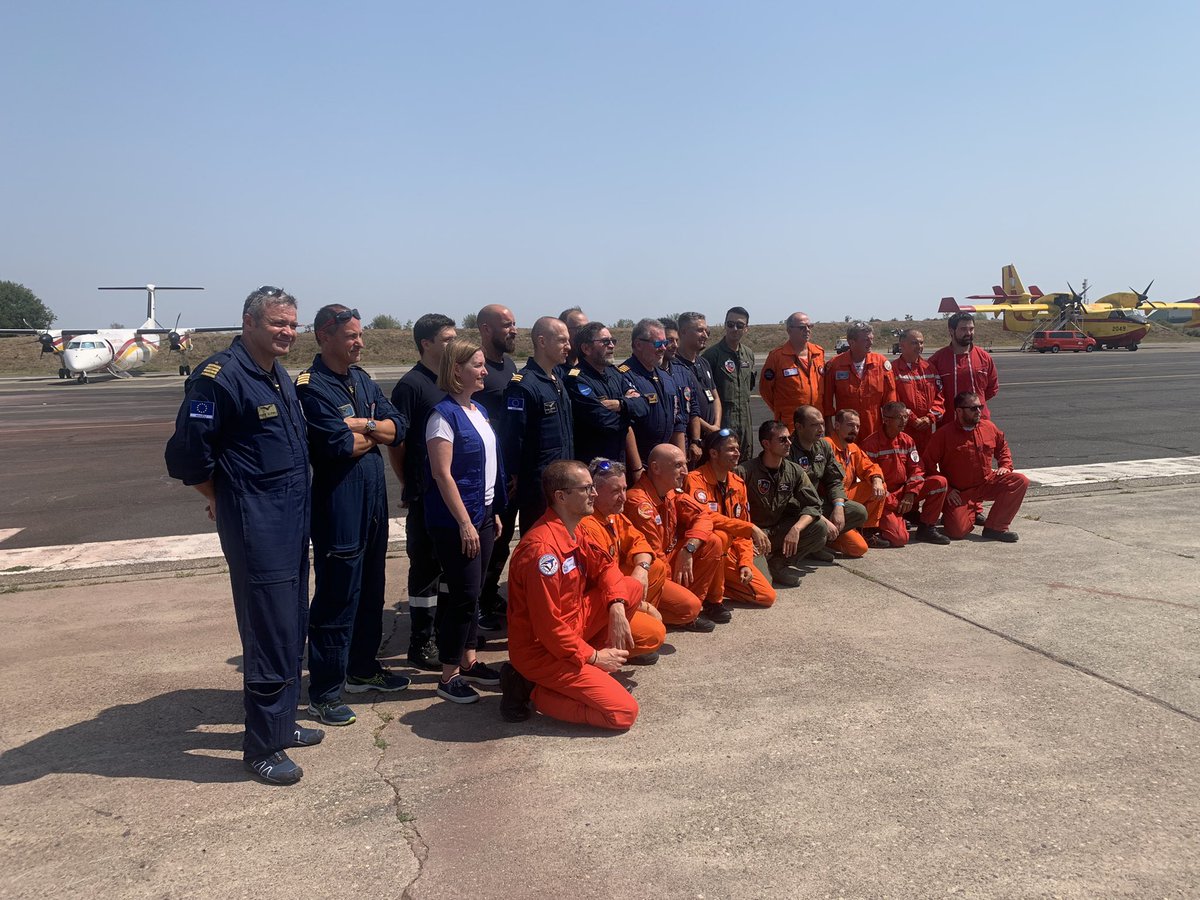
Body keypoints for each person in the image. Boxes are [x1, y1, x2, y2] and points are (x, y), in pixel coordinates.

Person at [165, 285, 315, 786]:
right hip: (258, 522)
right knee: (268, 629)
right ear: (248, 322)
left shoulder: (277, 376)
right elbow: (188, 458)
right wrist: (223, 495)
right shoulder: (219, 377)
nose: (287, 332)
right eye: (277, 323)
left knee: (292, 620)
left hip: (291, 517)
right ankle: (262, 747)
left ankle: (282, 721)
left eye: (293, 324)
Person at [296, 305, 410, 730]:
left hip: (372, 497)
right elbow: (336, 444)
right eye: (351, 336)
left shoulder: (361, 379)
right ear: (324, 337)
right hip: (339, 501)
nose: (360, 342)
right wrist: (369, 431)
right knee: (337, 594)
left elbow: (398, 427)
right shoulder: (311, 386)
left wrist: (362, 425)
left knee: (371, 587)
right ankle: (324, 692)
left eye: (360, 335)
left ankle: (362, 669)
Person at [501, 460, 660, 728]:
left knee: (629, 588)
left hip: (572, 627)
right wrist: (596, 657)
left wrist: (617, 605)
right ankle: (528, 688)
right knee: (622, 713)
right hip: (542, 651)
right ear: (561, 497)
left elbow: (607, 567)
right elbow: (549, 628)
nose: (595, 494)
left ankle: (583, 667)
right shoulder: (543, 552)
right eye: (587, 488)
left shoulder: (572, 530)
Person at [424, 337, 508, 704]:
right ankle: (449, 675)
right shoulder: (442, 416)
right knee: (463, 596)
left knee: (473, 594)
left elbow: (487, 467)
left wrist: (493, 511)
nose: (484, 370)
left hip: (484, 514)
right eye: (476, 365)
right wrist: (464, 522)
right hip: (458, 520)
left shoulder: (477, 410)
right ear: (456, 370)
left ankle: (470, 660)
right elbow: (443, 475)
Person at [388, 313, 456, 672]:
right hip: (426, 494)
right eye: (446, 339)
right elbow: (397, 444)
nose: (452, 344)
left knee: (450, 569)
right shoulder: (411, 386)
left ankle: (445, 632)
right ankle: (421, 639)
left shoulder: (451, 380)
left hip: (453, 495)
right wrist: (409, 483)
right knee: (426, 570)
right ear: (426, 344)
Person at [579, 458, 710, 632]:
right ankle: (611, 633)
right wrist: (646, 607)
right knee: (654, 634)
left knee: (687, 604)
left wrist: (642, 567)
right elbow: (605, 580)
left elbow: (640, 542)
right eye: (615, 491)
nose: (623, 498)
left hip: (622, 586)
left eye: (624, 489)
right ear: (594, 492)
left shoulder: (612, 514)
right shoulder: (588, 523)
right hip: (603, 597)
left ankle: (640, 616)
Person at [624, 443, 728, 625]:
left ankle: (690, 606)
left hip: (668, 560)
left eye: (685, 465)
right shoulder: (639, 502)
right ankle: (668, 613)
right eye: (678, 465)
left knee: (713, 541)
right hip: (650, 570)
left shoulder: (671, 492)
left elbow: (704, 516)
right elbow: (655, 557)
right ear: (656, 468)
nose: (686, 472)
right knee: (689, 607)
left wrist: (688, 549)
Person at [685, 429, 778, 604]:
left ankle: (715, 582)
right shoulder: (695, 480)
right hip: (704, 549)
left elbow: (742, 532)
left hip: (731, 551)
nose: (737, 453)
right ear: (713, 453)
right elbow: (705, 518)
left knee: (767, 596)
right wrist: (749, 528)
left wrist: (745, 563)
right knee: (720, 536)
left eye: (737, 449)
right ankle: (711, 594)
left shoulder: (738, 483)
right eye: (730, 449)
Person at [923, 392, 1029, 542]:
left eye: (980, 407)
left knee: (1019, 481)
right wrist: (949, 491)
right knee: (957, 532)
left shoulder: (988, 427)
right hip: (961, 492)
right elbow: (927, 464)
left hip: (986, 482)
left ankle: (995, 528)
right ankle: (955, 515)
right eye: (973, 408)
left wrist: (1005, 465)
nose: (979, 411)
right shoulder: (944, 435)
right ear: (959, 411)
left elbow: (1002, 446)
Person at [502, 316, 574, 534]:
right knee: (539, 544)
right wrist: (514, 475)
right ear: (542, 342)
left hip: (563, 483)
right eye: (562, 340)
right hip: (538, 489)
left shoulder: (556, 380)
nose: (568, 347)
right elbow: (512, 438)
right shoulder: (524, 385)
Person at [740, 420, 828, 587]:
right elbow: (730, 510)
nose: (789, 443)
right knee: (762, 585)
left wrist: (796, 529)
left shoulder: (794, 471)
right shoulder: (745, 471)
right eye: (782, 440)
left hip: (777, 530)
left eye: (789, 438)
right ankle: (760, 562)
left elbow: (814, 505)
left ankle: (778, 564)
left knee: (818, 528)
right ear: (766, 444)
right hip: (752, 535)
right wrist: (748, 533)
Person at [476, 304, 519, 632]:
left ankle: (489, 595)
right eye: (506, 325)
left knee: (503, 542)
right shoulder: (476, 367)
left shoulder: (509, 366)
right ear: (486, 329)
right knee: (484, 543)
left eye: (514, 324)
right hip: (484, 474)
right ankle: (474, 604)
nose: (514, 330)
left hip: (509, 471)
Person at [858, 401, 951, 546]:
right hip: (883, 497)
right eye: (899, 418)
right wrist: (895, 503)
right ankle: (874, 528)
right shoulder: (870, 444)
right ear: (887, 420)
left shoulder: (907, 440)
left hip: (904, 493)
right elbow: (868, 482)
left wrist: (910, 493)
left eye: (905, 417)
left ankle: (927, 528)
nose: (904, 421)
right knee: (899, 539)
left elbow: (917, 469)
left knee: (939, 482)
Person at [790, 405, 870, 558]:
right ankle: (798, 553)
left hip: (817, 504)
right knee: (819, 525)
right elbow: (791, 497)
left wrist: (838, 506)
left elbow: (834, 479)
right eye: (814, 425)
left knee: (858, 512)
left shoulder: (823, 446)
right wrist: (821, 518)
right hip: (796, 509)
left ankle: (817, 544)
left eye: (822, 423)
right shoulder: (788, 450)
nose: (821, 429)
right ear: (799, 427)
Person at [565, 321, 648, 465]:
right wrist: (629, 414)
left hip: (620, 460)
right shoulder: (576, 380)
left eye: (612, 341)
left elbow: (644, 406)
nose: (612, 345)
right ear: (586, 348)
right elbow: (603, 421)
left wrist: (621, 404)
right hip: (595, 464)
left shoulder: (614, 373)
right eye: (605, 342)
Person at [621, 318, 687, 471]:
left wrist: (681, 463)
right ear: (638, 344)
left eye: (665, 343)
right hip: (640, 463)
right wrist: (637, 468)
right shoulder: (624, 376)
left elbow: (678, 422)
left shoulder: (666, 377)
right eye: (658, 344)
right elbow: (626, 427)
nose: (663, 348)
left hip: (665, 462)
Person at [822, 321, 897, 439]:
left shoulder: (881, 363)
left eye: (871, 339)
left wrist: (891, 425)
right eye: (866, 340)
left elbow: (890, 397)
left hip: (874, 427)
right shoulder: (835, 365)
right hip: (845, 429)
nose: (871, 342)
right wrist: (829, 427)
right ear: (852, 342)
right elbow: (827, 400)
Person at [828, 409, 887, 548]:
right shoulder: (827, 445)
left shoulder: (853, 448)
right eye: (850, 425)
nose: (854, 430)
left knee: (879, 486)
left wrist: (877, 479)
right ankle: (827, 538)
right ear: (837, 425)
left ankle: (867, 531)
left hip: (846, 497)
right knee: (858, 549)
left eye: (857, 426)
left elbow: (869, 467)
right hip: (830, 503)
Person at [702, 306, 756, 455]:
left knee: (744, 460)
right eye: (730, 324)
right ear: (725, 325)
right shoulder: (711, 356)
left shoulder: (748, 355)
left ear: (746, 329)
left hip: (745, 423)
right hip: (723, 422)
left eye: (739, 325)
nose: (734, 329)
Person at [761, 311, 825, 433]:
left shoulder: (818, 353)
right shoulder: (777, 356)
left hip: (816, 424)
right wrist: (781, 410)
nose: (807, 330)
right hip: (790, 425)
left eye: (809, 326)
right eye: (802, 327)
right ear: (789, 330)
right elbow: (765, 390)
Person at [928, 312, 999, 420]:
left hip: (980, 422)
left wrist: (973, 406)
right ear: (951, 331)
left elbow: (992, 389)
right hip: (949, 422)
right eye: (963, 329)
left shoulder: (984, 357)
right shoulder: (937, 360)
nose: (968, 333)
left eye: (971, 329)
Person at [673, 312, 723, 459]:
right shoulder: (674, 366)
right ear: (683, 332)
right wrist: (709, 428)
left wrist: (716, 426)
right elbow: (682, 407)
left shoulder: (703, 363)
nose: (705, 335)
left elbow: (715, 396)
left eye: (706, 331)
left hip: (712, 438)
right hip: (691, 441)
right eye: (700, 330)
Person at [891, 328, 944, 453]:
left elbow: (940, 397)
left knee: (926, 466)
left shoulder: (930, 368)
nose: (919, 346)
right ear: (902, 345)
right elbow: (893, 400)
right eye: (915, 343)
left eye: (921, 343)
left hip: (926, 431)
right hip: (903, 431)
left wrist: (930, 418)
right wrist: (913, 419)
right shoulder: (892, 370)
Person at [659, 317, 703, 465]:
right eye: (669, 340)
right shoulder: (648, 374)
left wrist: (695, 441)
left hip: (686, 445)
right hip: (662, 448)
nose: (675, 345)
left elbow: (694, 409)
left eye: (677, 340)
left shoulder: (682, 371)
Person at [558, 306, 589, 372]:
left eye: (587, 329)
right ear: (564, 330)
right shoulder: (554, 368)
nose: (586, 333)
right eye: (580, 329)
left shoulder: (590, 363)